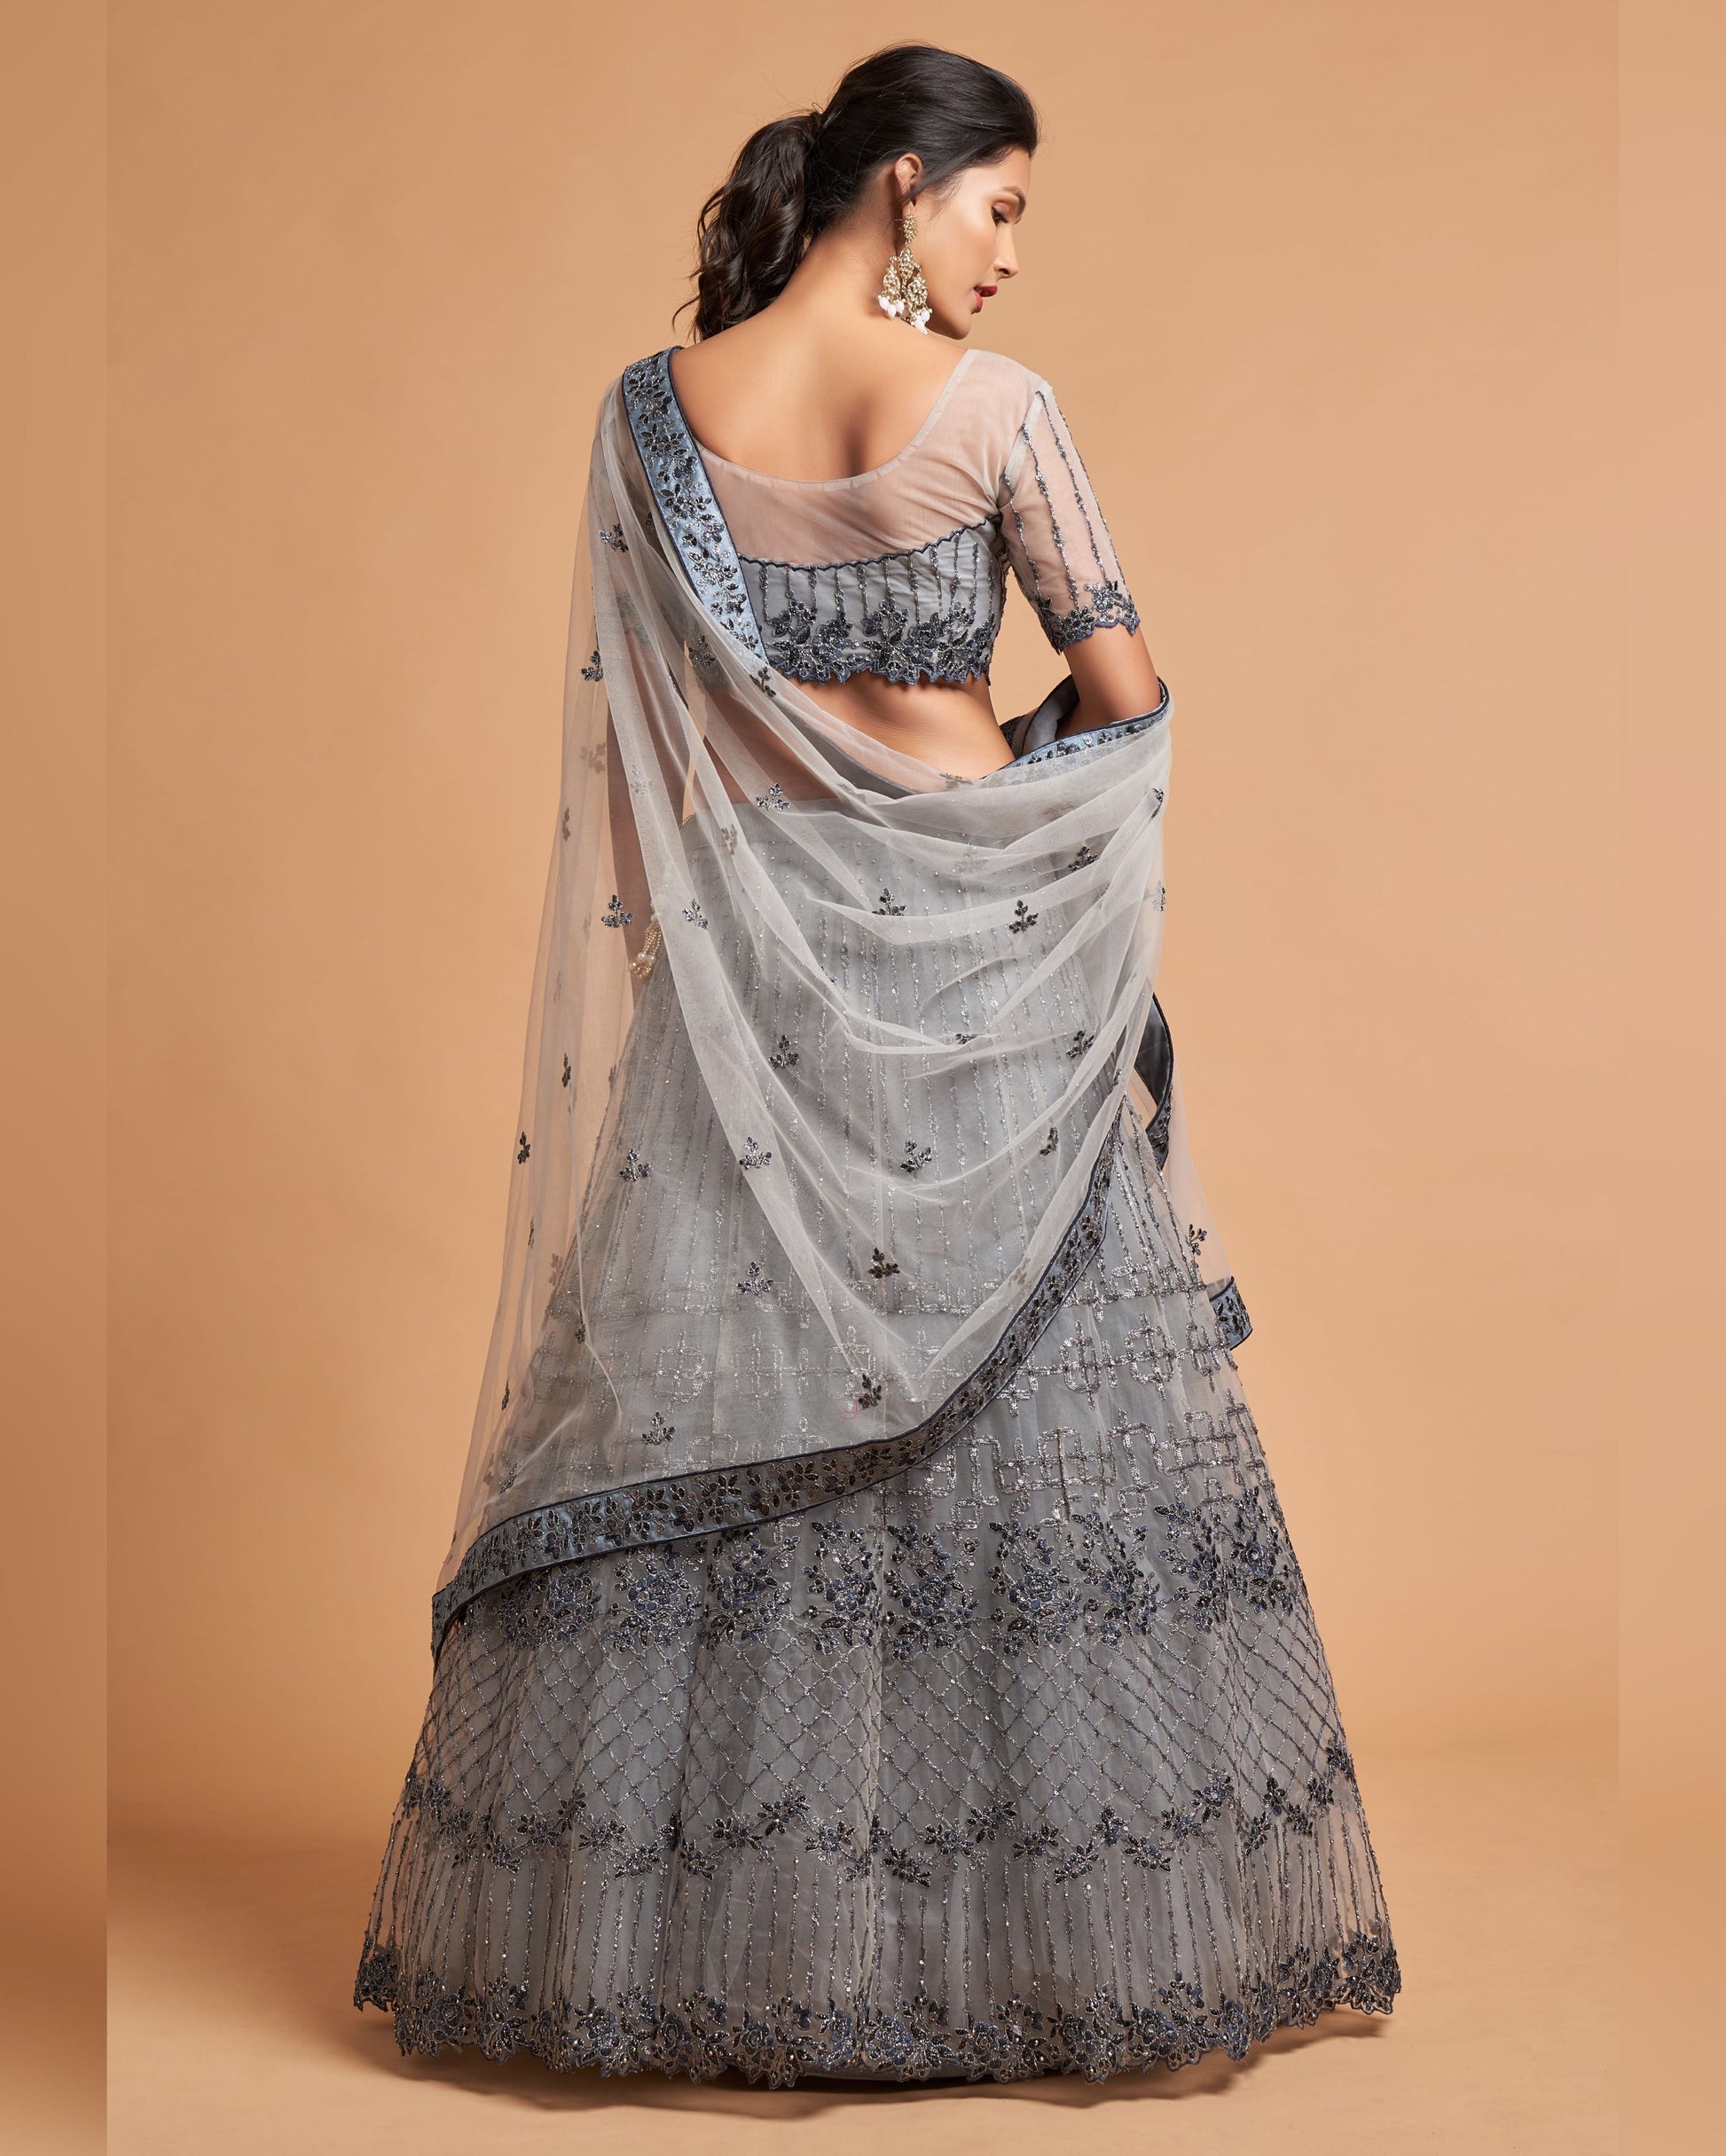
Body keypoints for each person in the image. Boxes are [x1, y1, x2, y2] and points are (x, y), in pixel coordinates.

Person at [353, 43, 1400, 2088]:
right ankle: (1019, 1949)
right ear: (905, 183)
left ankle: (732, 1955)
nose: (1009, 257)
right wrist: (986, 788)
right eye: (999, 207)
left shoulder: (654, 420)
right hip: (990, 979)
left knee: (747, 1450)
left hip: (755, 1001)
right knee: (1003, 1465)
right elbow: (1129, 694)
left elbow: (642, 780)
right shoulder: (995, 413)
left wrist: (729, 977)